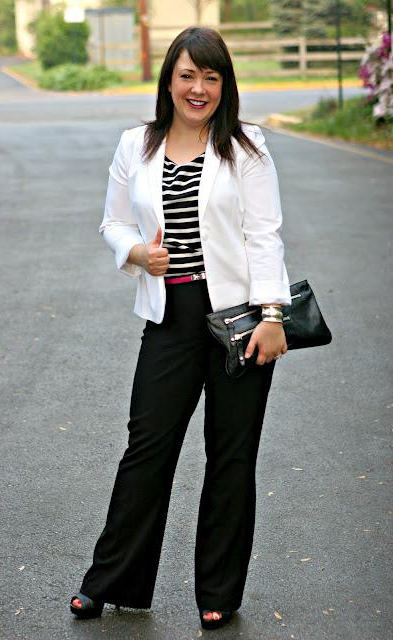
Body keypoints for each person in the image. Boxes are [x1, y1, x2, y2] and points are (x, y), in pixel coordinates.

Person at [69, 26, 291, 631]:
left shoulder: (246, 149)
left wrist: (273, 317)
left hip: (239, 322)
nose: (199, 88)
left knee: (231, 455)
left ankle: (217, 591)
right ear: (169, 79)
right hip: (169, 317)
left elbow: (263, 236)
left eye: (211, 77)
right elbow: (112, 222)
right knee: (147, 449)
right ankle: (113, 581)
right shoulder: (135, 145)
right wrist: (138, 253)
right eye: (188, 75)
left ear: (226, 85)